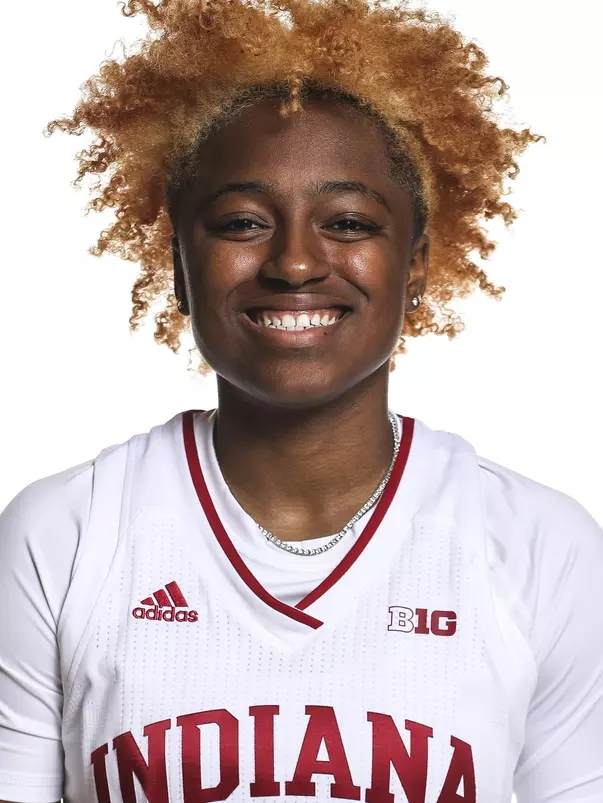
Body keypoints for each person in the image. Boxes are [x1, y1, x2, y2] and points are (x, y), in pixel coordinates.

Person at [1, 0, 602, 801]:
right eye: (243, 221)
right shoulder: (64, 535)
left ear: (415, 267)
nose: (292, 262)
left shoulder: (539, 546)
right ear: (179, 264)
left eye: (347, 221)